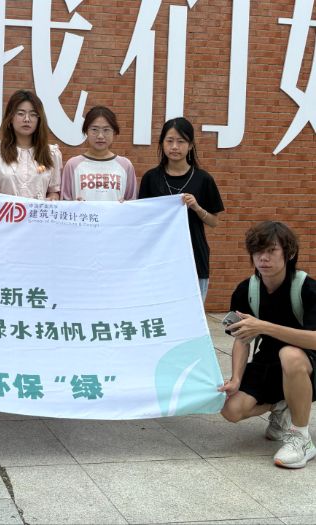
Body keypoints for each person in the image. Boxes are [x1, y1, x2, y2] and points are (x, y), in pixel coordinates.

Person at [219, 221, 316, 469]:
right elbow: (242, 339)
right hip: (270, 361)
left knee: (290, 355)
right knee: (231, 410)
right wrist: (236, 379)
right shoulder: (246, 290)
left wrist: (263, 326)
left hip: (309, 364)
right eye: (258, 251)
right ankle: (281, 406)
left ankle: (301, 438)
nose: (263, 258)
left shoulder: (307, 288)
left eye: (271, 251)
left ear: (289, 253)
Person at [138, 117, 224, 302]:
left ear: (190, 145)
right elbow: (142, 217)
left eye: (181, 141)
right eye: (169, 141)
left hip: (194, 257)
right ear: (162, 143)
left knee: (192, 311)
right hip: (159, 258)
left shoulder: (203, 179)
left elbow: (214, 221)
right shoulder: (151, 178)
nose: (175, 147)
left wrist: (197, 208)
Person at [0, 90, 62, 200]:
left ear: (39, 119)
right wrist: (13, 203)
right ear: (10, 118)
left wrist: (52, 198)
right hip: (6, 211)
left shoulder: (51, 154)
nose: (27, 119)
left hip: (38, 211)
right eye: (21, 114)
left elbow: (54, 192)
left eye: (33, 114)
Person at [60, 106, 136, 202]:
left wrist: (125, 204)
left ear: (114, 132)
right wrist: (74, 205)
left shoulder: (125, 165)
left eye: (106, 130)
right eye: (94, 129)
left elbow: (132, 202)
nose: (100, 136)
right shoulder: (72, 165)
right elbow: (65, 202)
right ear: (86, 131)